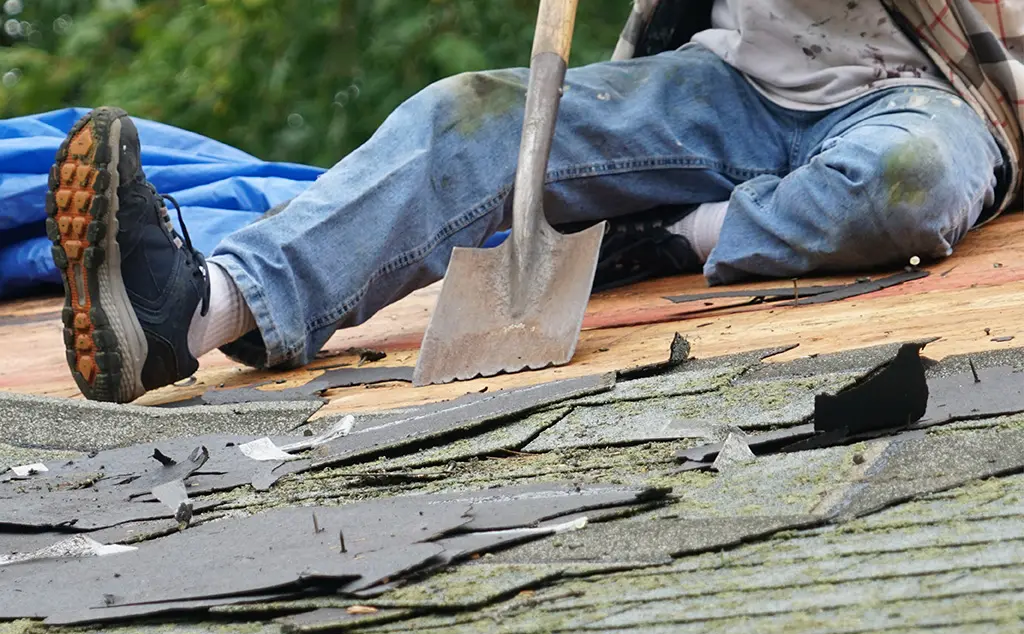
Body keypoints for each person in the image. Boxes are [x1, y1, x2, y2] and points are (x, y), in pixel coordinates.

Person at [46, 0, 1021, 403]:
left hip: (931, 97)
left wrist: (674, 238)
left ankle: (668, 234)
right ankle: (196, 310)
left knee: (906, 183)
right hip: (733, 83)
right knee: (471, 119)